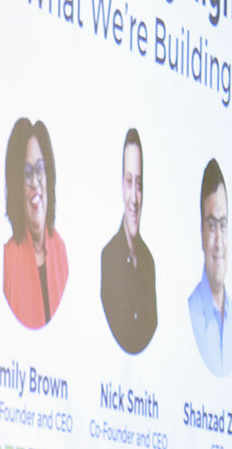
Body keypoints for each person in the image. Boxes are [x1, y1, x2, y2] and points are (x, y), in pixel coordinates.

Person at [3, 117, 68, 329]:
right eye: (26, 173)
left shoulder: (60, 249)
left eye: (40, 169)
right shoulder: (7, 259)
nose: (35, 182)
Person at [100, 128, 157, 354]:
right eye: (129, 181)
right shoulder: (108, 257)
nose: (134, 198)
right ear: (121, 185)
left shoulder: (149, 263)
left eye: (139, 185)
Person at [189, 159, 231, 377]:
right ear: (201, 232)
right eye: (212, 225)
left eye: (223, 225)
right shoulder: (190, 311)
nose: (218, 242)